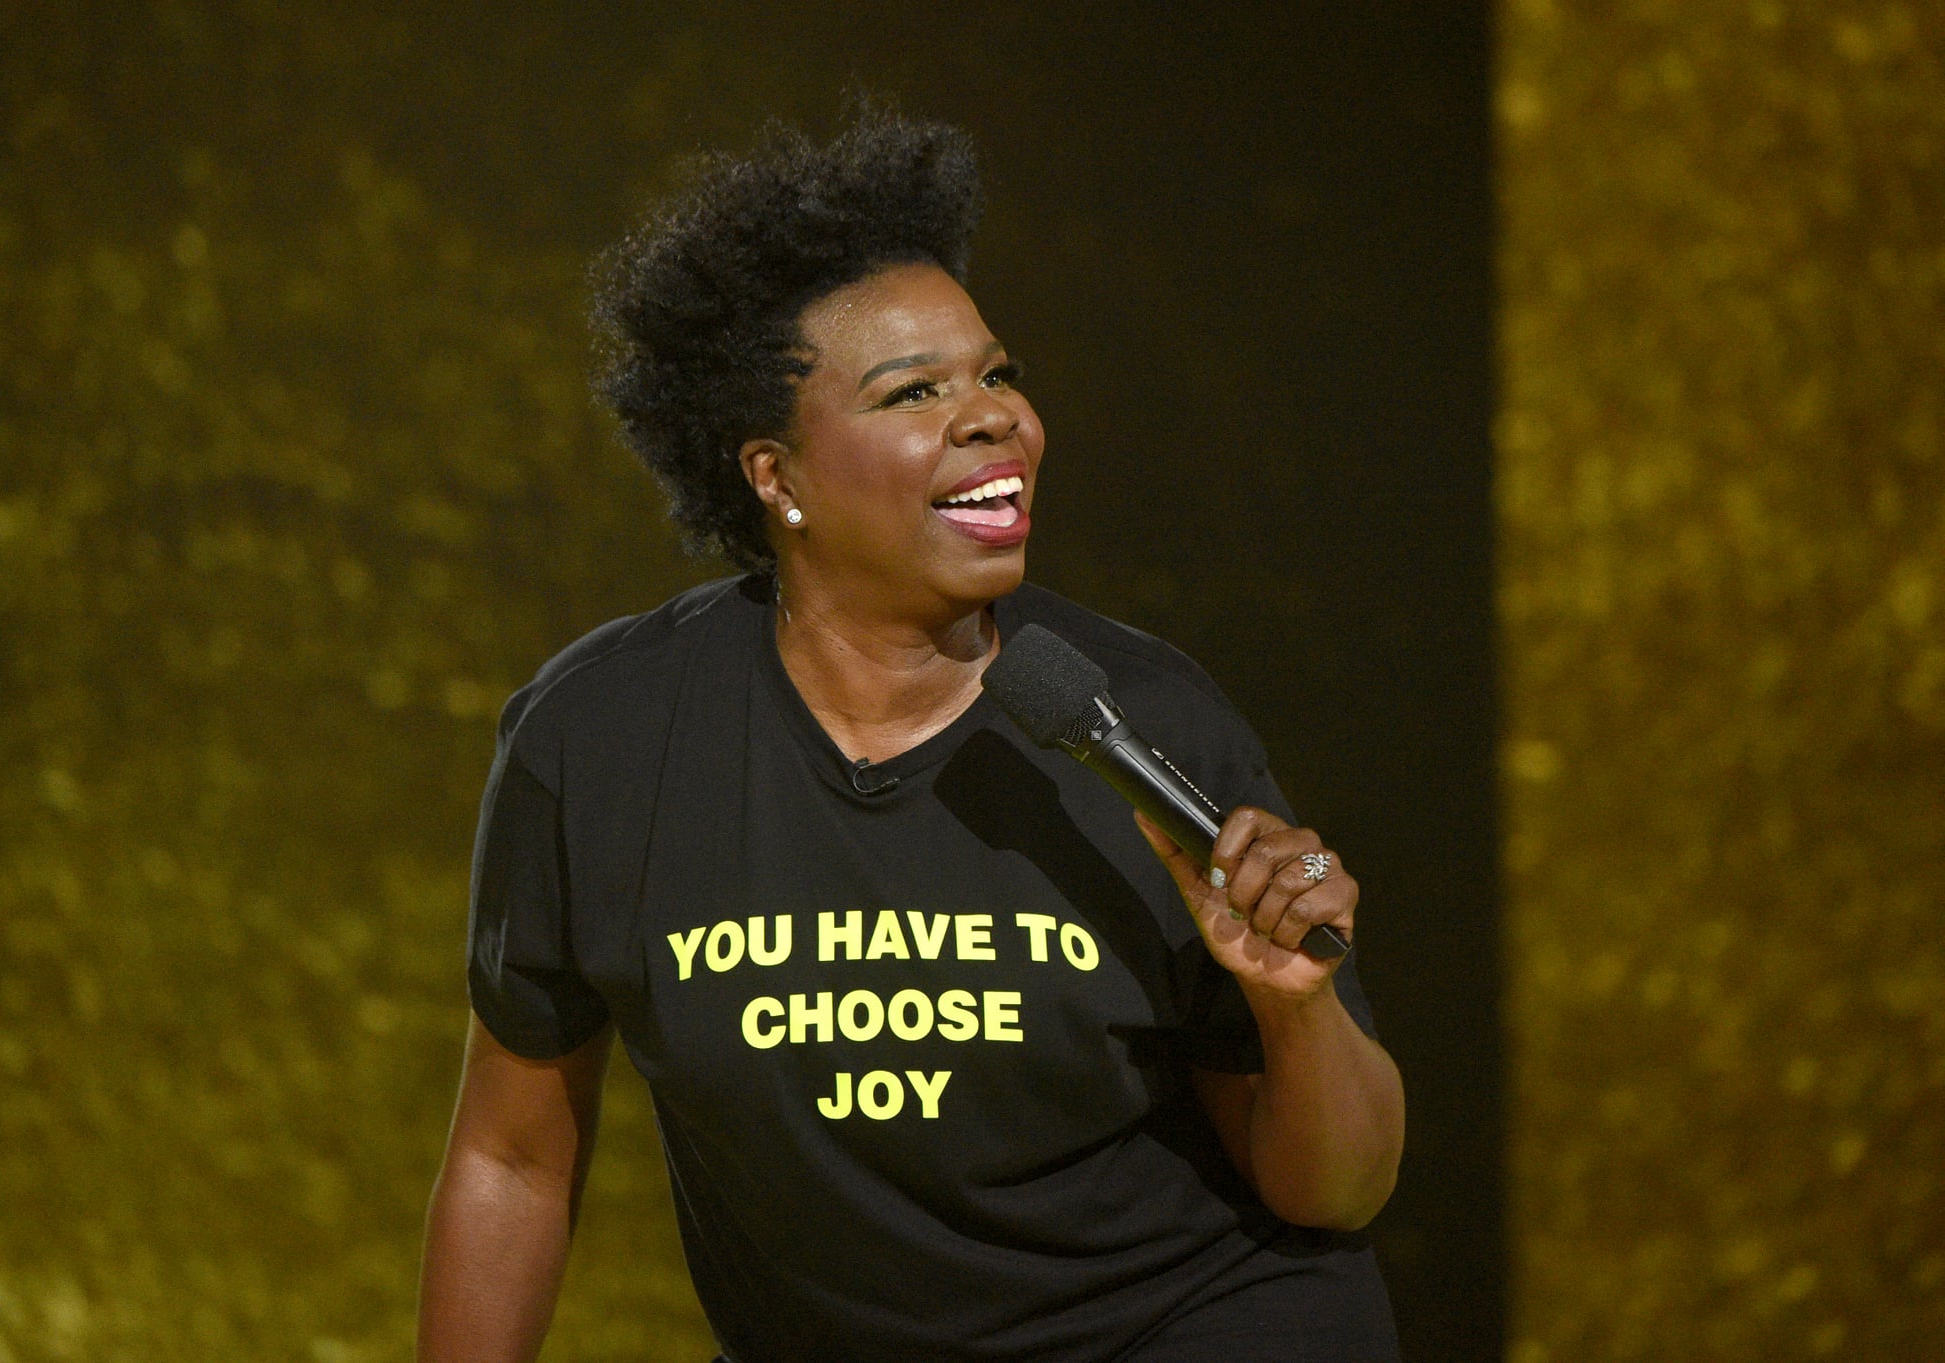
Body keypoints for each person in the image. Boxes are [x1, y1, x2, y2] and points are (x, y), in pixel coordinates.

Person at [417, 109, 1405, 1363]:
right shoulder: (603, 740)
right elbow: (510, 1156)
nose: (990, 416)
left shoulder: (1138, 720)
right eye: (915, 391)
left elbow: (1339, 1190)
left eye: (997, 375)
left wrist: (1295, 1009)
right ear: (776, 478)